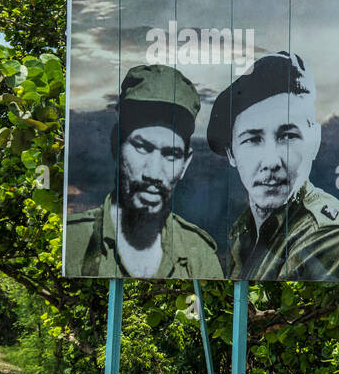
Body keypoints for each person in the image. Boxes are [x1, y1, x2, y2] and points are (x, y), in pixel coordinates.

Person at [206, 51, 339, 281]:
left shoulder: (329, 239)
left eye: (287, 136)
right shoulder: (245, 232)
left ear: (313, 142)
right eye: (253, 139)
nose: (272, 162)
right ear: (231, 153)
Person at [64, 63, 222, 279]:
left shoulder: (200, 256)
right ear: (116, 146)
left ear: (185, 164)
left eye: (171, 154)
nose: (153, 173)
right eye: (142, 147)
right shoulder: (73, 241)